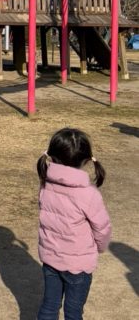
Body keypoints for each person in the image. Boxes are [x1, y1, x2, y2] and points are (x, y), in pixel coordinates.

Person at [36, 128, 112, 320]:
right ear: (86, 160)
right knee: (73, 312)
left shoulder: (45, 184)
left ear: (52, 155)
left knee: (49, 307)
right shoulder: (89, 194)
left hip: (51, 260)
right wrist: (100, 248)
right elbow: (102, 229)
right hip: (79, 265)